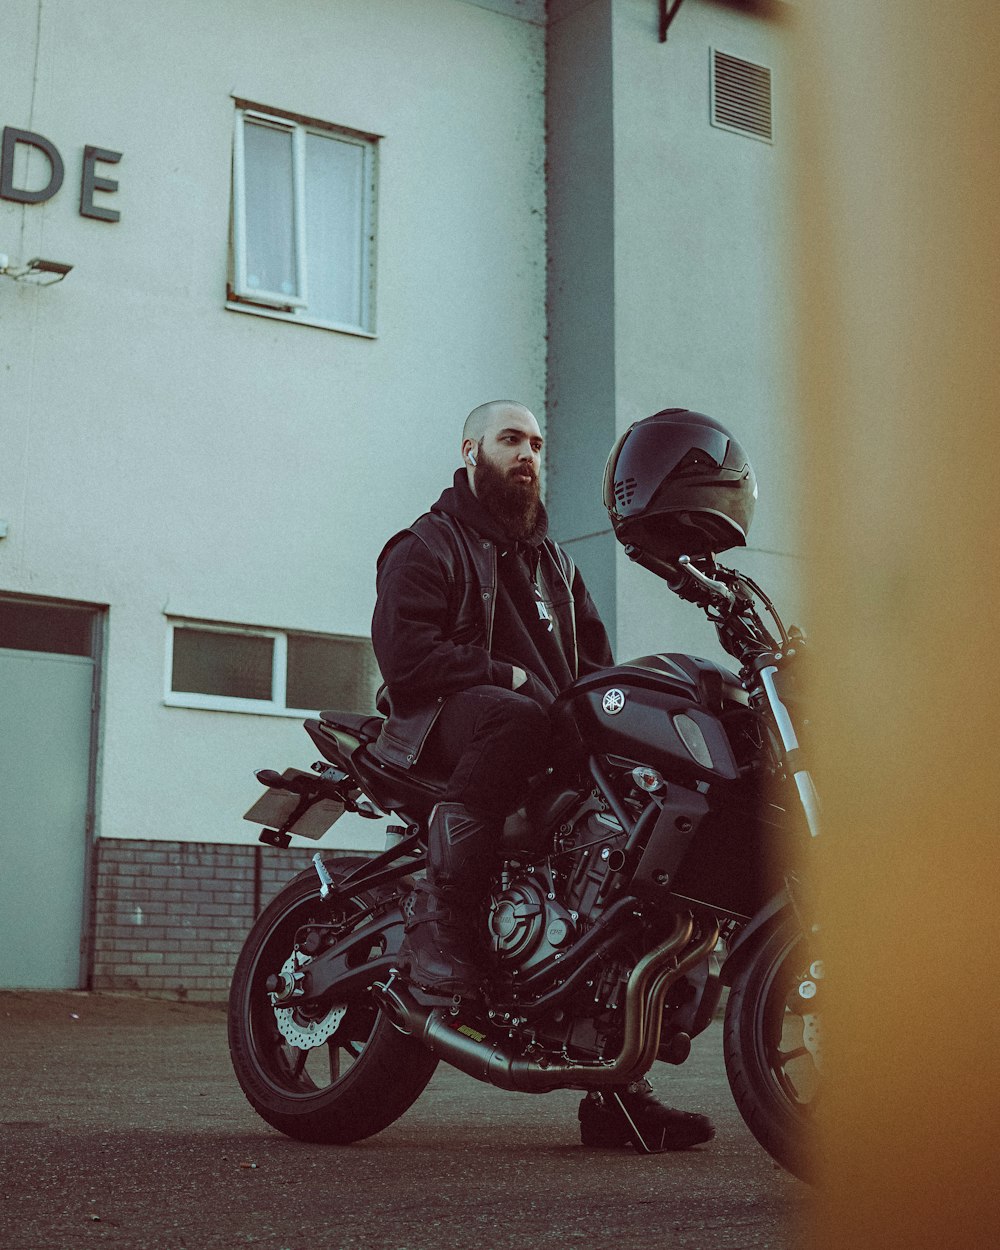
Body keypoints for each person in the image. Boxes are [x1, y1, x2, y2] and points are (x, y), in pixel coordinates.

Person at [370, 400, 714, 1151]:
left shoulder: (554, 562)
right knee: (517, 713)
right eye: (510, 439)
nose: (527, 454)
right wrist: (513, 676)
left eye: (535, 443)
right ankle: (441, 924)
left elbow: (593, 672)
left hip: (534, 740)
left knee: (633, 824)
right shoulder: (427, 544)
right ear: (471, 450)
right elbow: (405, 663)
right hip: (441, 728)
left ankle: (615, 1091)